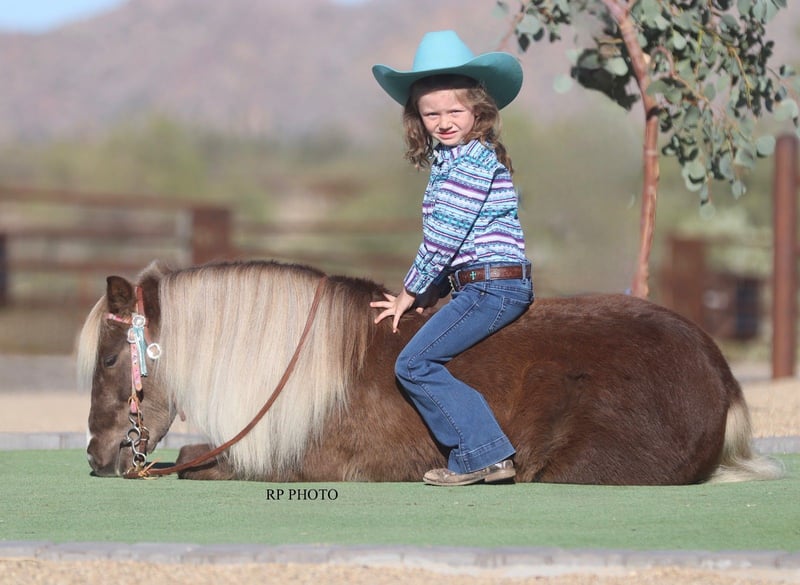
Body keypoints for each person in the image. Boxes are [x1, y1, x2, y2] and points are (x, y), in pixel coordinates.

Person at [370, 30, 534, 486]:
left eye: (455, 111)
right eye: (431, 113)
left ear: (478, 111)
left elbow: (445, 238)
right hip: (479, 282)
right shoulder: (452, 161)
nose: (443, 122)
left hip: (493, 286)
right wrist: (435, 291)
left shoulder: (471, 163)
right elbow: (461, 247)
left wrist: (411, 290)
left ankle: (484, 453)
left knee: (413, 364)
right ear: (417, 118)